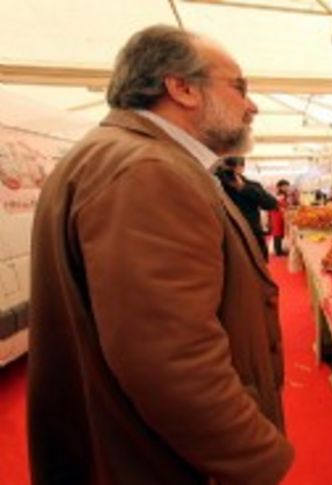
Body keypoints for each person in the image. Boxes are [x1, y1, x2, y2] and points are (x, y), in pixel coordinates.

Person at [28, 25, 293, 485]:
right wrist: (259, 457)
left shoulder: (124, 156)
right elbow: (172, 361)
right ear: (182, 87)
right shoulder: (147, 170)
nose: (252, 105)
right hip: (155, 462)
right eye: (239, 87)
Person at [215, 156, 278, 260]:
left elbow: (271, 204)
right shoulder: (213, 185)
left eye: (233, 166)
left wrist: (244, 188)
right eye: (227, 167)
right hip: (223, 239)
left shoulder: (251, 186)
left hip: (250, 237)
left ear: (242, 168)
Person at [270, 179, 291, 256]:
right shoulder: (279, 195)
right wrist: (283, 208)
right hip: (277, 215)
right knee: (277, 232)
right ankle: (278, 251)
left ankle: (279, 249)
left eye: (287, 186)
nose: (287, 188)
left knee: (280, 232)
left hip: (281, 214)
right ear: (280, 187)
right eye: (285, 186)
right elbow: (275, 205)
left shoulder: (284, 194)